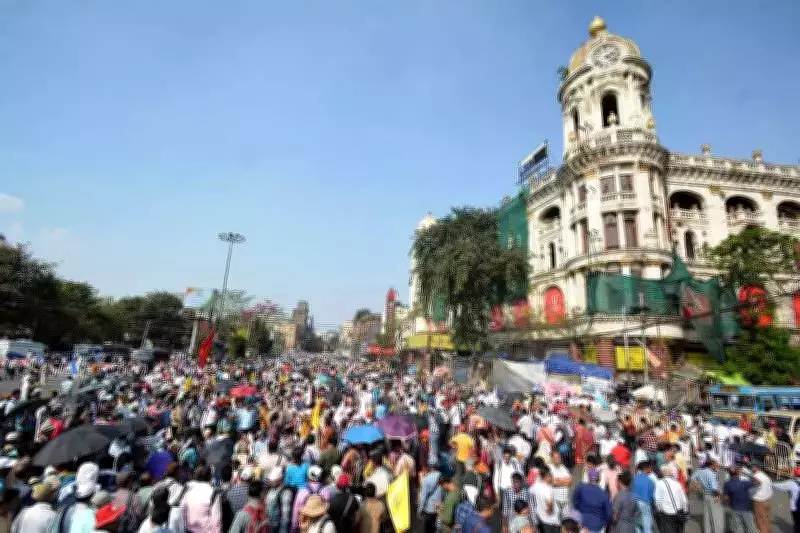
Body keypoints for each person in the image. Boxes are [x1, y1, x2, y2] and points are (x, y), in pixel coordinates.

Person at [180, 466, 221, 533]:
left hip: (189, 530)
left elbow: (182, 510)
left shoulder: (187, 490)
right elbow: (216, 521)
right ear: (209, 477)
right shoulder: (213, 493)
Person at [723, 462, 759, 533]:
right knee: (751, 528)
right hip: (746, 509)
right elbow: (758, 482)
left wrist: (731, 503)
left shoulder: (727, 484)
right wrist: (746, 474)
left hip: (734, 508)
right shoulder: (744, 483)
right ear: (738, 473)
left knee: (738, 529)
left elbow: (726, 497)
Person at [572, 469, 611, 533]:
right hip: (596, 526)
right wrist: (602, 523)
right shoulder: (604, 495)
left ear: (588, 478)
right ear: (599, 479)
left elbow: (575, 502)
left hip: (582, 524)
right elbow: (608, 514)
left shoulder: (580, 488)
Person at [690, 458, 723, 533]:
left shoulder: (699, 471)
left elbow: (692, 479)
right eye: (716, 465)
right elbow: (714, 488)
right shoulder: (712, 474)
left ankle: (707, 530)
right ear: (712, 465)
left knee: (707, 515)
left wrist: (698, 486)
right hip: (713, 496)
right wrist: (719, 495)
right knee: (715, 516)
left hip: (705, 495)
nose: (717, 467)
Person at [653, 465, 688, 533]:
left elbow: (657, 499)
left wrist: (659, 510)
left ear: (662, 473)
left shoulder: (659, 483)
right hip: (679, 511)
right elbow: (684, 499)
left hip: (666, 512)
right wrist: (685, 510)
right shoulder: (677, 483)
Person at [772, 466, 800, 533]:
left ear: (795, 474)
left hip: (795, 508)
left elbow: (779, 486)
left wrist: (769, 483)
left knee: (798, 524)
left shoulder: (791, 483)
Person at [532, 468, 559, 533]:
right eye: (550, 476)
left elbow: (530, 490)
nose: (552, 477)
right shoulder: (547, 489)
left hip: (542, 519)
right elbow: (549, 502)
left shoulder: (536, 485)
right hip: (552, 521)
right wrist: (550, 510)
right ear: (547, 477)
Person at [631, 461, 655, 533]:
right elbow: (651, 496)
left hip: (635, 502)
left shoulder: (634, 479)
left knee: (637, 524)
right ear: (646, 468)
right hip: (645, 503)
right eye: (650, 468)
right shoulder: (650, 481)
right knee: (647, 526)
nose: (651, 469)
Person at [417, 468, 443, 533]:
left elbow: (423, 497)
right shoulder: (442, 475)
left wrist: (420, 510)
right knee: (438, 527)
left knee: (429, 528)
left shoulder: (427, 479)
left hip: (429, 508)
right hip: (439, 507)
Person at [750, 461, 772, 533]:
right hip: (767, 501)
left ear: (756, 467)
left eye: (752, 467)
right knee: (766, 519)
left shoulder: (755, 477)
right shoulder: (766, 476)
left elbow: (751, 489)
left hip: (759, 502)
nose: (751, 468)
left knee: (760, 522)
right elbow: (770, 489)